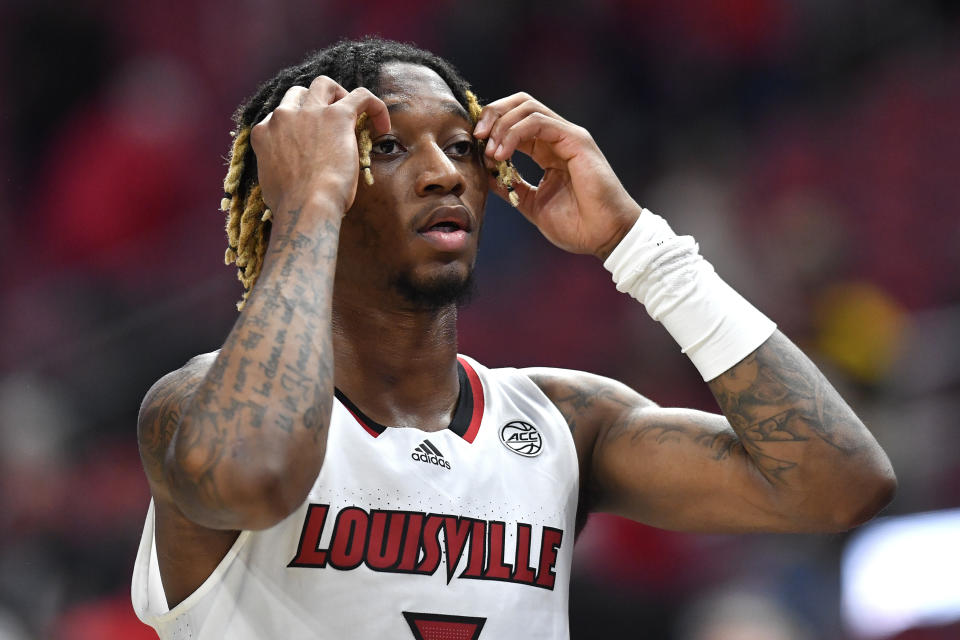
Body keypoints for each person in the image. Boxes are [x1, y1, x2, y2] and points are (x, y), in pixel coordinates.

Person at [131, 37, 896, 640]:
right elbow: (254, 479)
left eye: (462, 147)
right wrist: (306, 209)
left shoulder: (562, 421)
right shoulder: (192, 406)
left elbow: (841, 487)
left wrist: (639, 246)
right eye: (390, 148)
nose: (443, 174)